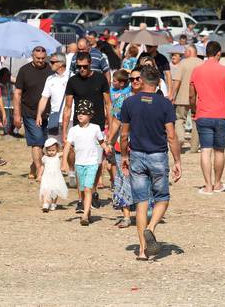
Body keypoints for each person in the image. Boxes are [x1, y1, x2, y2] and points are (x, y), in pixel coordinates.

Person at [120, 65, 182, 260]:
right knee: (162, 197)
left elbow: (123, 135)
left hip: (137, 155)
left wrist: (123, 156)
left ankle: (141, 250)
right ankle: (151, 226)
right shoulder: (164, 104)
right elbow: (171, 135)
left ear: (143, 80)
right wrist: (177, 160)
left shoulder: (129, 102)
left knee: (140, 203)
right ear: (157, 83)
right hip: (157, 156)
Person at [63, 51, 112, 203]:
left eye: (85, 66)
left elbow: (108, 104)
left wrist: (109, 125)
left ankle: (93, 190)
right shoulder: (72, 81)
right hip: (80, 128)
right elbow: (68, 107)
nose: (82, 69)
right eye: (79, 67)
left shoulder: (100, 79)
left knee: (96, 163)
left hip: (97, 126)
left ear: (90, 64)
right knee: (80, 164)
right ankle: (81, 199)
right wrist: (65, 131)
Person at [189, 41, 225, 195]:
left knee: (205, 150)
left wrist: (194, 111)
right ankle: (217, 183)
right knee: (219, 151)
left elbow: (192, 95)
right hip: (222, 115)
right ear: (218, 53)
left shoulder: (196, 71)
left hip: (203, 114)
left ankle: (207, 186)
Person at [62, 100, 111, 226]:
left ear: (90, 115)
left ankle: (84, 215)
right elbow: (68, 146)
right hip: (79, 163)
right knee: (82, 189)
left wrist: (106, 148)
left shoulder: (95, 128)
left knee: (88, 188)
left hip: (92, 163)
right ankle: (87, 211)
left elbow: (101, 142)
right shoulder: (73, 130)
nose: (80, 115)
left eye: (84, 113)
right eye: (79, 112)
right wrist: (64, 162)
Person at [12, 46, 53, 180]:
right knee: (37, 141)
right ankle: (40, 170)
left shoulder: (50, 69)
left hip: (49, 112)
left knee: (46, 143)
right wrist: (17, 114)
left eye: (43, 58)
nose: (41, 61)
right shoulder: (24, 70)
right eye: (38, 58)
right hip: (29, 112)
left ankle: (34, 166)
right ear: (32, 56)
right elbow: (17, 93)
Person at [106, 69, 134, 227]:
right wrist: (109, 140)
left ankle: (144, 210)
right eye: (134, 79)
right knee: (122, 178)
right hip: (122, 146)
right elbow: (116, 120)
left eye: (139, 79)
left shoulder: (147, 97)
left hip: (142, 146)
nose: (136, 82)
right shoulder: (121, 99)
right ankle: (127, 216)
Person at [169, 45, 202, 154]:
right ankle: (193, 148)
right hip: (198, 98)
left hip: (182, 97)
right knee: (196, 121)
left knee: (179, 119)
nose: (184, 54)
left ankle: (181, 138)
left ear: (189, 52)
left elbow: (177, 81)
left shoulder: (183, 63)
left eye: (185, 52)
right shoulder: (202, 63)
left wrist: (172, 94)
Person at [37, 53, 70, 142]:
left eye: (52, 62)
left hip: (70, 120)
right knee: (52, 149)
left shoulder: (72, 78)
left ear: (61, 63)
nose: (50, 64)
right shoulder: (50, 79)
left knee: (69, 150)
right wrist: (39, 114)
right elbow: (44, 98)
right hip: (54, 120)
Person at [38, 137, 68, 212]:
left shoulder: (58, 155)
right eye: (49, 150)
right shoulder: (45, 158)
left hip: (56, 177)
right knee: (46, 189)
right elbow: (42, 167)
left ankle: (53, 204)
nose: (51, 152)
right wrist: (39, 175)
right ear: (46, 150)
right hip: (47, 177)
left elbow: (65, 152)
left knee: (55, 190)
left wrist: (67, 145)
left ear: (57, 149)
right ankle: (45, 204)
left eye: (53, 150)